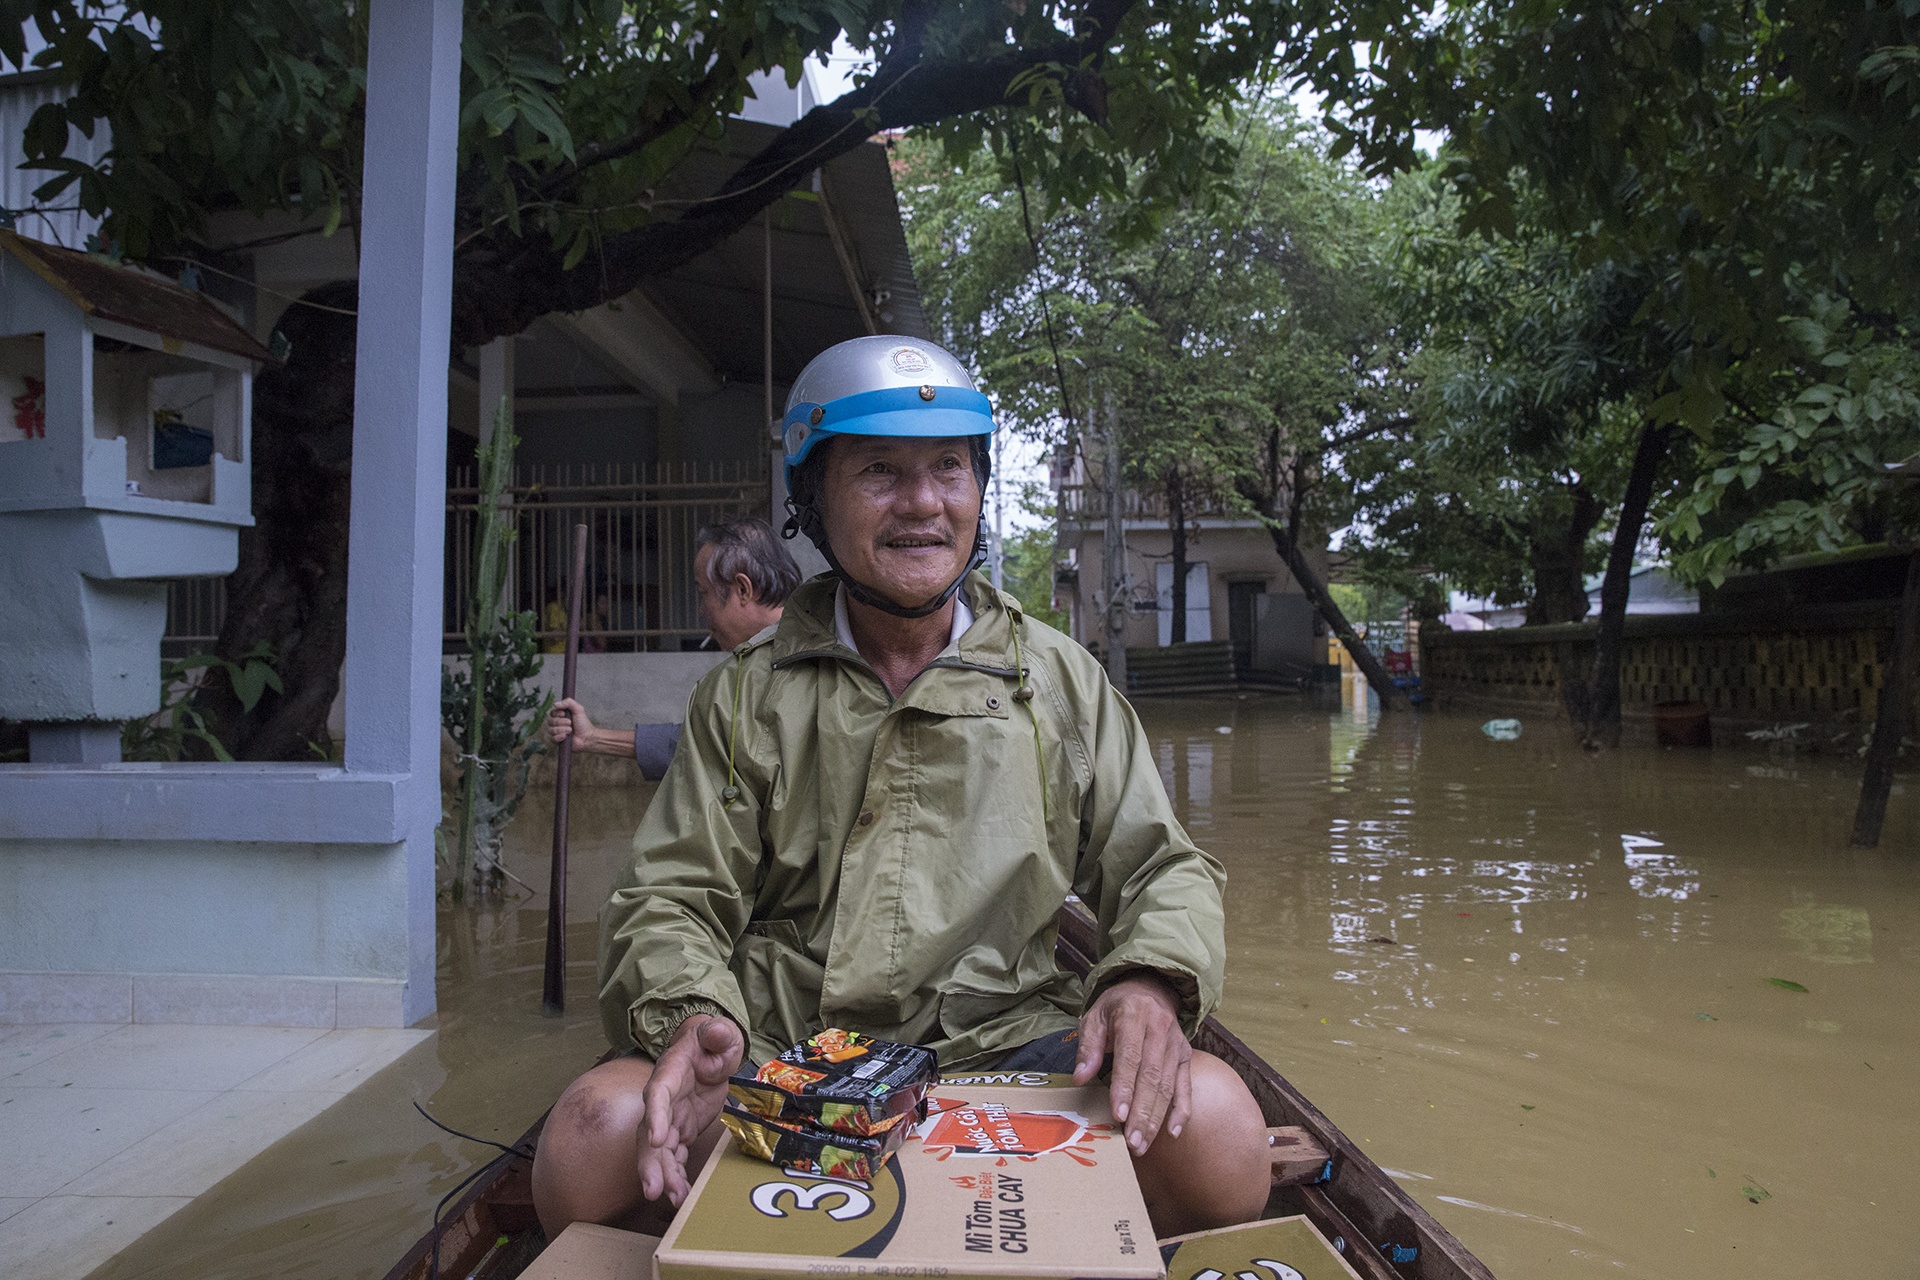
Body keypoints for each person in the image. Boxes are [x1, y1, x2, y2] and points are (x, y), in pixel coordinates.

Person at [530, 337, 1269, 1240]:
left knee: (1228, 1139)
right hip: (779, 1046)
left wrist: (1150, 980)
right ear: (813, 500)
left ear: (978, 489)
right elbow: (669, 898)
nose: (923, 503)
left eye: (949, 470)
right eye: (881, 471)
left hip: (1002, 1042)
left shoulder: (1059, 682)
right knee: (584, 1144)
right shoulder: (746, 692)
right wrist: (696, 1016)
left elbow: (1164, 869)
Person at [542, 519, 798, 779]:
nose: (700, 612)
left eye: (703, 593)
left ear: (743, 589)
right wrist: (592, 738)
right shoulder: (756, 661)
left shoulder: (804, 660)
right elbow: (705, 746)